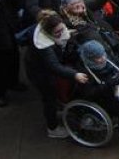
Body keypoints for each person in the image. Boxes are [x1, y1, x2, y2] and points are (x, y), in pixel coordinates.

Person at [26, 11, 89, 139]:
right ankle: (52, 128)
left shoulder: (46, 27)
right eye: (58, 32)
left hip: (39, 67)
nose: (62, 32)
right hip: (40, 73)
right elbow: (54, 66)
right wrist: (74, 74)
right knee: (49, 98)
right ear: (49, 33)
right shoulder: (44, 47)